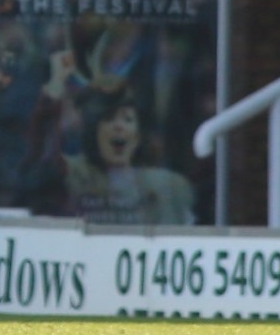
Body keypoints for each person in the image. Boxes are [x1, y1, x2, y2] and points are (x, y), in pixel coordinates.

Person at [17, 48, 195, 225]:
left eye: (127, 119)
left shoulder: (168, 185)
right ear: (93, 131)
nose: (119, 126)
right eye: (109, 118)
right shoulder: (73, 175)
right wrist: (55, 87)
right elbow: (41, 163)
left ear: (138, 134)